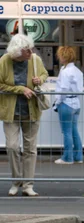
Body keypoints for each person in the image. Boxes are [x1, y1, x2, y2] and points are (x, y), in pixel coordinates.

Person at [0, 34, 48, 197]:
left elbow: (44, 74)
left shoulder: (35, 60)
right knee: (12, 146)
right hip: (10, 111)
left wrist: (39, 80)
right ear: (17, 52)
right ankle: (16, 181)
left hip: (31, 110)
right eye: (27, 50)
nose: (31, 52)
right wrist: (20, 89)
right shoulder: (4, 61)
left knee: (30, 149)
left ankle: (28, 184)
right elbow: (0, 83)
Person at [53, 46, 84, 165]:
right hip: (76, 103)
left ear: (64, 57)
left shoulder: (65, 72)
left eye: (60, 55)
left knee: (66, 131)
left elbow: (63, 89)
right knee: (74, 130)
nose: (58, 57)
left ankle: (67, 157)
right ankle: (78, 156)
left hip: (66, 103)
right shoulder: (77, 71)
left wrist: (57, 102)